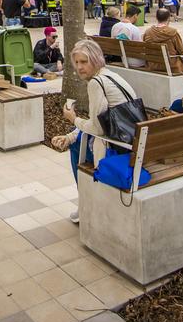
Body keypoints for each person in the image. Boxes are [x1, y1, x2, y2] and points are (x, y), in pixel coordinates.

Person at [50, 38, 137, 224]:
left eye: (84, 62)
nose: (80, 67)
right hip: (130, 137)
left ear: (95, 59)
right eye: (77, 62)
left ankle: (85, 203)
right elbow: (99, 121)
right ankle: (85, 201)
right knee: (77, 139)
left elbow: (97, 128)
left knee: (77, 147)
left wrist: (73, 119)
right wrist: (72, 134)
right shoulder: (111, 75)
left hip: (118, 145)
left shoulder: (96, 83)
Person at [142, 8, 183, 73]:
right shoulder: (173, 32)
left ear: (156, 17)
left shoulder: (148, 32)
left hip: (153, 64)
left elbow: (145, 47)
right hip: (172, 65)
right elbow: (181, 51)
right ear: (168, 18)